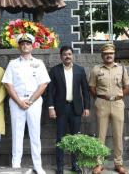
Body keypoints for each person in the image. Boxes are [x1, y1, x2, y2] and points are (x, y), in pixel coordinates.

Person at [2, 33, 51, 174]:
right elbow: (8, 84)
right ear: (19, 46)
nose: (25, 46)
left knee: (35, 133)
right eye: (22, 44)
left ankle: (38, 165)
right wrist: (19, 102)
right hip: (17, 101)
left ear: (32, 46)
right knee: (17, 133)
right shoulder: (12, 64)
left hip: (33, 102)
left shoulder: (39, 63)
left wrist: (30, 101)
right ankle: (16, 164)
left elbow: (43, 85)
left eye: (28, 44)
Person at [47, 45, 90, 174]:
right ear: (61, 56)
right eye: (65, 54)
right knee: (60, 138)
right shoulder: (54, 71)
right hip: (60, 108)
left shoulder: (80, 70)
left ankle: (75, 165)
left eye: (69, 54)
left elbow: (85, 90)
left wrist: (87, 107)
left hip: (76, 108)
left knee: (75, 138)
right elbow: (50, 92)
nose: (67, 56)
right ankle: (59, 166)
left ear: (72, 56)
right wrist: (51, 107)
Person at [89, 43, 129, 174]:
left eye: (111, 53)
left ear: (114, 55)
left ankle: (118, 163)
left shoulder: (122, 68)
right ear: (102, 55)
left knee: (118, 134)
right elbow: (92, 87)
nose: (109, 56)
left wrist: (120, 95)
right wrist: (100, 98)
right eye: (106, 54)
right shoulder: (96, 69)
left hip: (118, 103)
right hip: (102, 103)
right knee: (101, 135)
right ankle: (98, 164)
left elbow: (127, 86)